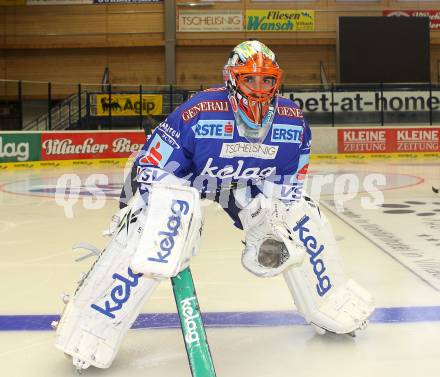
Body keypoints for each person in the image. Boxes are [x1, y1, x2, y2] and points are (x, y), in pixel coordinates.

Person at [54, 40, 374, 371]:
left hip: (239, 183)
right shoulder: (199, 112)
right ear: (232, 78)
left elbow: (288, 184)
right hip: (179, 179)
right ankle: (93, 320)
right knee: (162, 231)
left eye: (267, 80)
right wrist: (164, 210)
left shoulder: (292, 124)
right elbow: (150, 165)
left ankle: (330, 300)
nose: (260, 88)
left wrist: (274, 220)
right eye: (250, 79)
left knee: (296, 216)